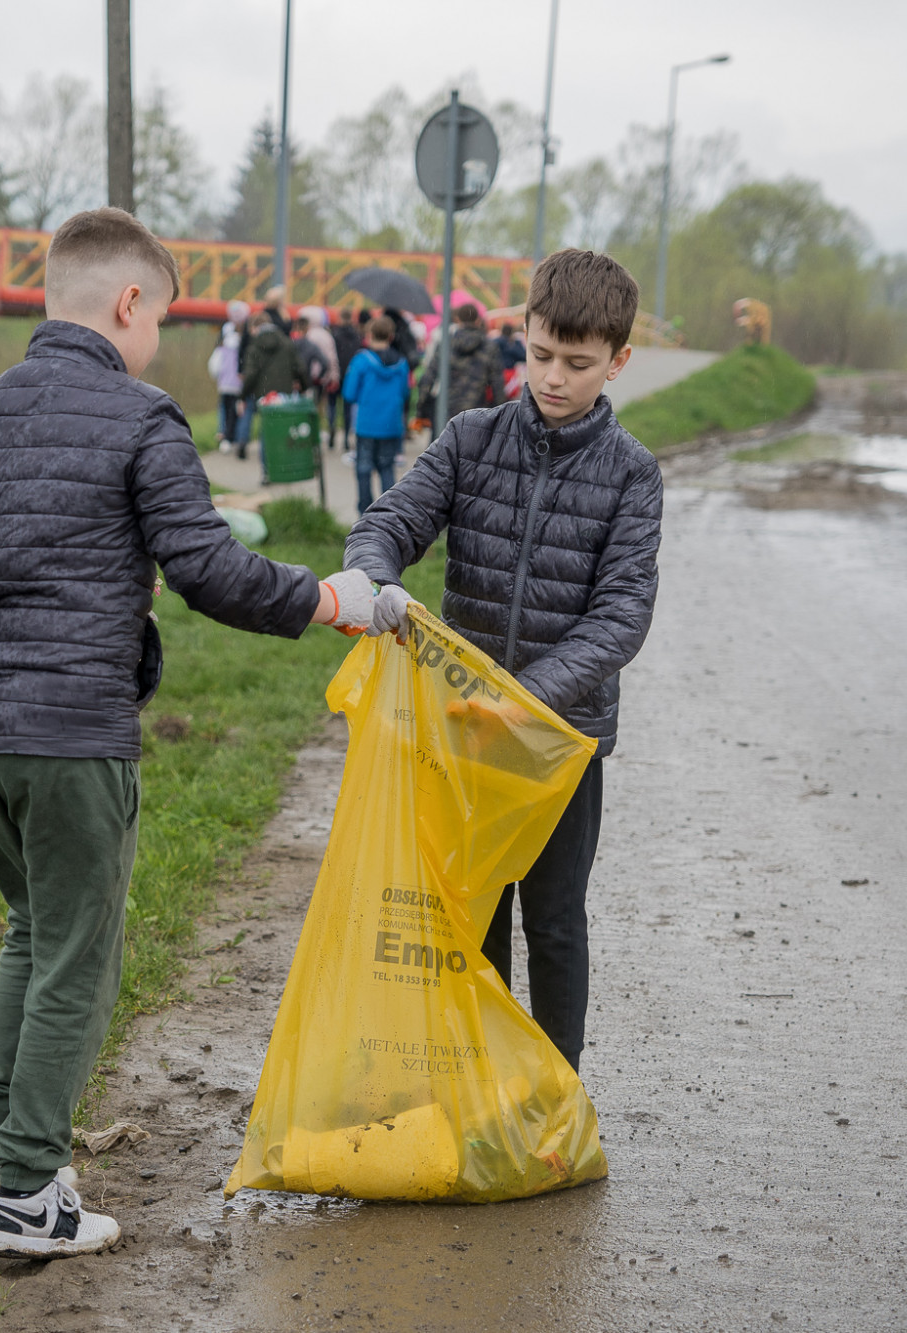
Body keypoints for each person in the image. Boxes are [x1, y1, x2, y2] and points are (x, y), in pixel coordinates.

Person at [0, 207, 376, 1260]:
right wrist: (332, 601)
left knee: (34, 927)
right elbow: (209, 567)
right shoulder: (140, 415)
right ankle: (30, 1194)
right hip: (71, 730)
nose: (157, 338)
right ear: (127, 304)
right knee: (80, 949)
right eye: (158, 315)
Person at [342, 248, 662, 1076]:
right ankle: (469, 1080)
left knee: (554, 920)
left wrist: (520, 697)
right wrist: (378, 584)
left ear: (618, 362)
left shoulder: (633, 475)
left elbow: (621, 616)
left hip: (559, 744)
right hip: (460, 733)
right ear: (523, 334)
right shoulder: (469, 440)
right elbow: (387, 523)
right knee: (470, 914)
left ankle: (555, 1089)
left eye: (579, 364)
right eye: (543, 354)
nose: (555, 377)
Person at [340, 315, 411, 514]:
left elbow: (349, 393)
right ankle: (387, 513)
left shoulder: (361, 361)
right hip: (391, 424)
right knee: (386, 468)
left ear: (369, 335)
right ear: (391, 336)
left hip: (367, 424)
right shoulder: (402, 362)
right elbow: (405, 393)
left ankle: (365, 512)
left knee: (363, 469)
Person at [418, 302, 508, 428]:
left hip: (446, 409)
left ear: (457, 319)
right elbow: (497, 383)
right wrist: (501, 416)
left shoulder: (446, 344)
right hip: (477, 412)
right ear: (477, 320)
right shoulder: (490, 347)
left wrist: (421, 409)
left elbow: (428, 377)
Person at [235, 309, 302, 459]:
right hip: (283, 392)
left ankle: (262, 464)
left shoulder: (254, 347)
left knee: (263, 428)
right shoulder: (286, 342)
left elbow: (251, 374)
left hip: (260, 391)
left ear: (254, 327)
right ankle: (282, 462)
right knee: (280, 428)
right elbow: (299, 367)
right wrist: (304, 386)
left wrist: (242, 395)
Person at [209, 299, 250, 445]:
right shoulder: (246, 336)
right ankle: (239, 437)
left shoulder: (225, 334)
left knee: (224, 408)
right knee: (240, 409)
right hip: (240, 380)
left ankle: (224, 434)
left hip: (225, 380)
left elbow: (217, 356)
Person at [329, 306, 367, 449]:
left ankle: (331, 430)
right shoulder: (357, 336)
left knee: (332, 405)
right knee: (347, 408)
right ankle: (345, 437)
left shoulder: (334, 334)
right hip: (351, 374)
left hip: (336, 374)